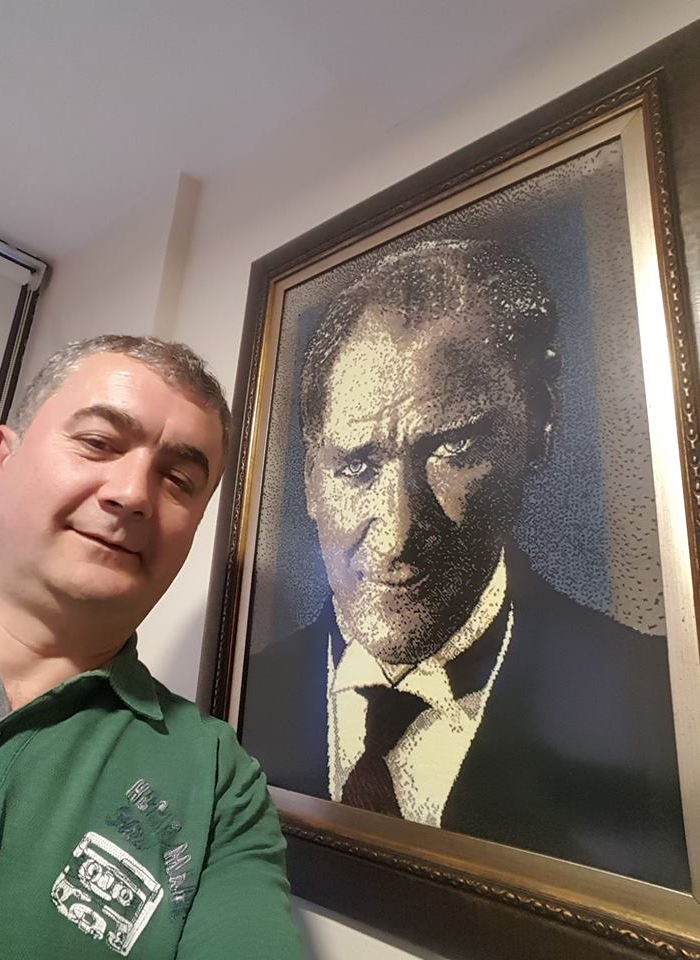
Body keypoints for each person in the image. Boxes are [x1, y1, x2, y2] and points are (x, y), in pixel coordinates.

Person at [242, 239, 689, 890]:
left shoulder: (663, 710)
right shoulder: (238, 705)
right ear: (311, 477)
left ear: (539, 425)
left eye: (452, 449)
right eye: (356, 466)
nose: (397, 536)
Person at [0, 335, 304, 958]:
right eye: (98, 443)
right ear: (2, 460)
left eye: (178, 479)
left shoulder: (218, 783)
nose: (131, 494)